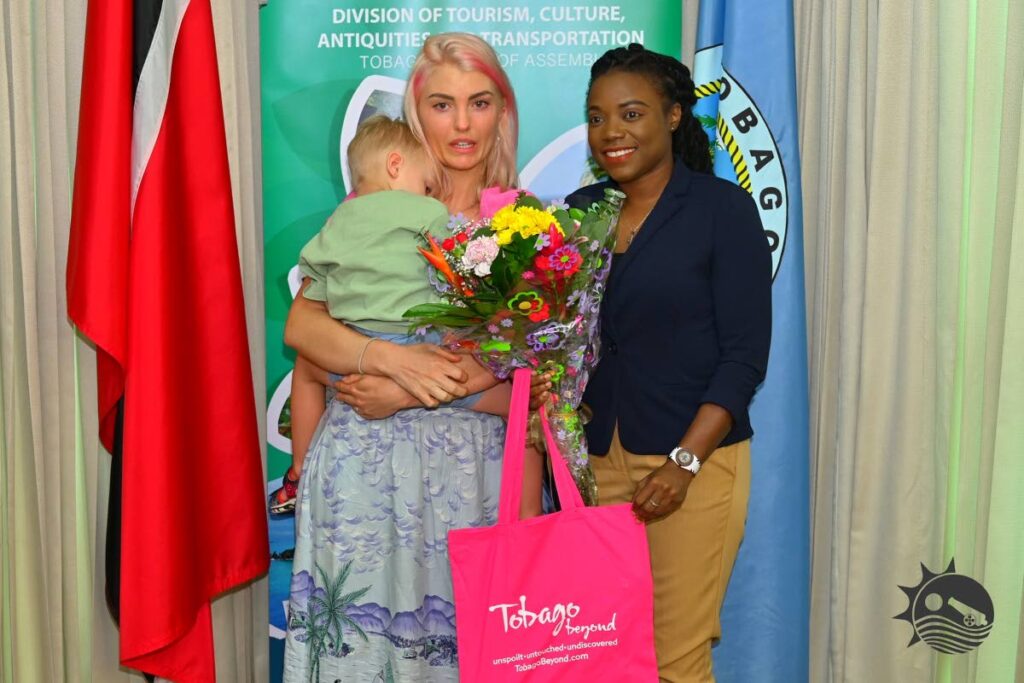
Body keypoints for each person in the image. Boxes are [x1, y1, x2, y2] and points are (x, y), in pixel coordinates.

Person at [282, 33, 534, 682]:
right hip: (358, 475)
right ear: (416, 110)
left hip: (467, 482)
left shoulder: (525, 223)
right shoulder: (370, 211)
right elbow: (303, 326)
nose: (461, 124)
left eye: (479, 103)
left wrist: (412, 387)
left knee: (458, 653)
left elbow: (531, 363)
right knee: (360, 650)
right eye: (442, 105)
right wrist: (391, 360)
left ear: (501, 111)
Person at [565, 44, 772, 682]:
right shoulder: (579, 214)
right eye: (597, 117)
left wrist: (683, 463)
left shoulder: (722, 210)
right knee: (605, 654)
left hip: (692, 463)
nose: (611, 133)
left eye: (631, 114)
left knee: (674, 661)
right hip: (599, 462)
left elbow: (744, 359)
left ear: (675, 115)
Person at [269, 114, 526, 517]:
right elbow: (460, 273)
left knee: (305, 370)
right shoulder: (429, 214)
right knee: (517, 402)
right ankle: (526, 510)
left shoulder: (337, 223)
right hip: (424, 349)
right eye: (426, 183)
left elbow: (314, 286)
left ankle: (299, 471)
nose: (428, 191)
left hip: (355, 357)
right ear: (395, 166)